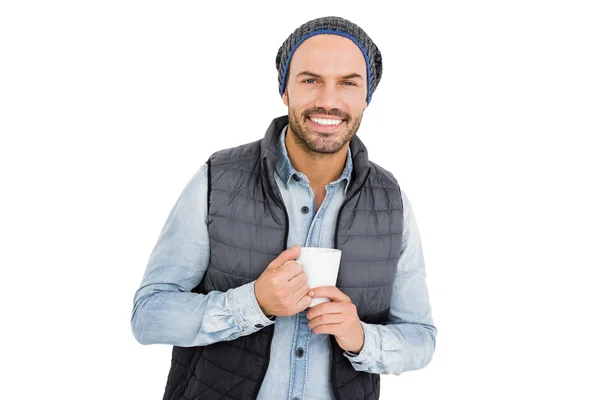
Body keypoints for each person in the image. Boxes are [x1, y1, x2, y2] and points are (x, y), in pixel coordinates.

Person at [131, 15, 436, 400]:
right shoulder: (218, 178)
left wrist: (362, 338)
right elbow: (149, 315)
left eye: (348, 83)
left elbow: (421, 338)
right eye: (310, 80)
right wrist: (253, 303)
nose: (328, 100)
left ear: (367, 96)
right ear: (285, 90)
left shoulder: (391, 200)